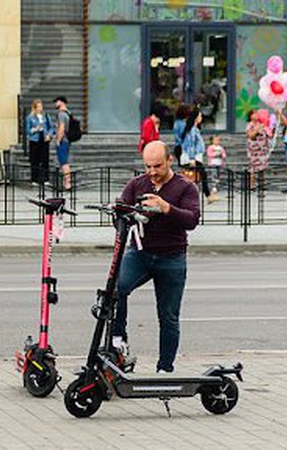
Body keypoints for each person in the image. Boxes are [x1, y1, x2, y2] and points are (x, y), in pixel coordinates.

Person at [111, 141, 200, 374]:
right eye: (147, 166)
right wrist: (123, 214)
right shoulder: (136, 184)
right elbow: (119, 217)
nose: (151, 172)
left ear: (170, 161)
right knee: (116, 290)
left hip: (172, 257)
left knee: (168, 316)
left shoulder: (185, 187)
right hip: (140, 253)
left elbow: (192, 220)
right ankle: (118, 340)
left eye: (157, 166)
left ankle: (165, 368)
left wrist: (165, 207)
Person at [180, 110, 220, 204]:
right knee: (200, 176)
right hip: (192, 158)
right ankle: (207, 196)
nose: (201, 118)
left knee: (198, 177)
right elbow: (190, 145)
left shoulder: (195, 129)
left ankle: (206, 195)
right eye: (200, 116)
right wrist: (192, 158)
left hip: (196, 157)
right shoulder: (192, 130)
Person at [25, 99, 54, 185]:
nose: (40, 109)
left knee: (45, 159)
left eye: (41, 107)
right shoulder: (30, 117)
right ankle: (35, 179)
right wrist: (36, 129)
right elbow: (27, 130)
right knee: (35, 159)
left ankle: (45, 179)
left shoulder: (46, 116)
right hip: (34, 139)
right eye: (38, 107)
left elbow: (51, 128)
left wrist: (49, 135)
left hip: (44, 138)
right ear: (34, 108)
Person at [246, 109, 273, 189]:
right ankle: (252, 185)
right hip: (254, 150)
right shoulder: (250, 125)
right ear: (250, 116)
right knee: (253, 168)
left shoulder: (261, 124)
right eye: (253, 114)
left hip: (262, 149)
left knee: (262, 167)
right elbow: (251, 136)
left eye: (256, 114)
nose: (256, 116)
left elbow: (267, 133)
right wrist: (257, 129)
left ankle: (261, 184)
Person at [53, 96, 73, 190]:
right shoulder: (68, 113)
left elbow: (62, 128)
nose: (55, 104)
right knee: (64, 161)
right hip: (67, 140)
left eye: (56, 102)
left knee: (63, 162)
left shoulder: (61, 114)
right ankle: (67, 182)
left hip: (63, 141)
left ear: (61, 102)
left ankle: (67, 183)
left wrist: (58, 140)